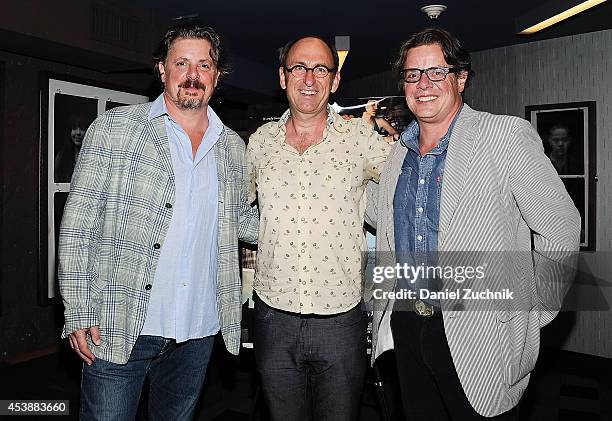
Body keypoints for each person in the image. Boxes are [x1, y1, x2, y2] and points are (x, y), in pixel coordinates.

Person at [366, 28, 580, 420]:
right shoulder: (398, 154)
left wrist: (531, 312)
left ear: (461, 78)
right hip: (407, 324)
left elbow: (561, 228)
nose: (423, 84)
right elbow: (383, 220)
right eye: (413, 74)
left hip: (483, 332)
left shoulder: (505, 135)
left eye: (437, 72)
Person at [58, 22, 259, 420]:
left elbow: (244, 224)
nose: (192, 74)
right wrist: (78, 310)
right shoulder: (115, 130)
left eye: (204, 65)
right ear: (162, 70)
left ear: (217, 77)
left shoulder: (233, 147)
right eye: (181, 63)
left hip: (198, 329)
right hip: (118, 324)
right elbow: (78, 227)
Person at [246, 36, 391, 421]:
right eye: (299, 67)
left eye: (321, 69)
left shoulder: (361, 139)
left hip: (341, 318)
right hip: (273, 315)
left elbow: (405, 190)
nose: (309, 78)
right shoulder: (260, 143)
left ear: (335, 80)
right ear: (282, 77)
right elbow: (238, 212)